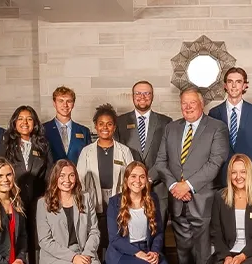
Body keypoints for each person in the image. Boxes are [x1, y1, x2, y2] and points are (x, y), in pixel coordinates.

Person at [154, 88, 229, 264]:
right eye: (184, 103)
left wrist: (189, 186)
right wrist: (174, 186)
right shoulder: (171, 128)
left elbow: (216, 162)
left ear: (202, 103)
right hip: (177, 201)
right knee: (183, 253)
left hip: (203, 201)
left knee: (204, 254)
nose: (187, 107)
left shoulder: (216, 127)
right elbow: (160, 162)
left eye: (192, 103)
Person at [77, 103, 136, 250]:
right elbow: (80, 179)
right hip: (93, 198)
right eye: (101, 124)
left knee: (116, 237)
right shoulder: (86, 151)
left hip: (117, 198)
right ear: (95, 126)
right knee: (97, 237)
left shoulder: (124, 151)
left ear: (114, 127)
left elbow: (132, 178)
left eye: (109, 124)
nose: (105, 127)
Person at [0, 105, 53, 264]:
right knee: (17, 240)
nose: (25, 122)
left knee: (37, 241)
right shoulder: (6, 144)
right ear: (14, 122)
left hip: (38, 202)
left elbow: (50, 172)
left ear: (35, 123)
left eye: (29, 119)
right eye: (21, 118)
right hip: (14, 202)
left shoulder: (42, 145)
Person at [115, 80, 173, 223]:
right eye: (138, 93)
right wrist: (134, 179)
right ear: (132, 96)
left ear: (152, 96)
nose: (142, 97)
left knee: (157, 236)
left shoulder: (166, 122)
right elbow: (118, 155)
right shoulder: (119, 122)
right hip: (129, 190)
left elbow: (168, 155)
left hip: (158, 189)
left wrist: (149, 178)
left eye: (147, 93)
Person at [208, 67, 252, 186]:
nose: (234, 86)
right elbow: (210, 151)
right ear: (225, 85)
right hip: (221, 177)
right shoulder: (214, 113)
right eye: (230, 82)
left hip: (248, 176)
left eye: (238, 82)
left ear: (245, 86)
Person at [43, 85, 92, 164]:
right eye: (61, 101)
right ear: (54, 103)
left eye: (69, 101)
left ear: (73, 104)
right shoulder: (44, 129)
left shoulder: (84, 131)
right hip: (51, 175)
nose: (65, 105)